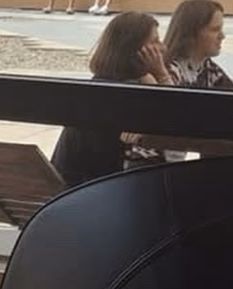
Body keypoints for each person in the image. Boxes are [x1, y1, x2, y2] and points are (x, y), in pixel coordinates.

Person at [50, 11, 175, 187]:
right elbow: (175, 117)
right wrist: (161, 75)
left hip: (87, 186)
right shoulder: (120, 95)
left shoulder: (109, 83)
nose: (162, 48)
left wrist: (154, 76)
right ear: (133, 49)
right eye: (155, 41)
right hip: (92, 190)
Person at [162, 0, 233, 92]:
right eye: (215, 29)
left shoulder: (210, 70)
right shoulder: (170, 72)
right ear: (192, 32)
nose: (222, 36)